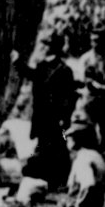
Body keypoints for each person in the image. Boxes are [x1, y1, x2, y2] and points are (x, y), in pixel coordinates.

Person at [15, 30, 78, 184]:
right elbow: (31, 75)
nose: (44, 48)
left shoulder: (64, 70)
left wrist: (65, 117)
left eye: (47, 45)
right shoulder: (43, 66)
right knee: (46, 145)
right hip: (43, 115)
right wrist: (17, 62)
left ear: (54, 47)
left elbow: (69, 96)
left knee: (57, 145)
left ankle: (58, 177)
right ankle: (49, 175)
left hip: (55, 116)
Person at [79, 27, 105, 145]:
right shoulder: (86, 58)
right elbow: (86, 79)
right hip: (91, 98)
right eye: (92, 40)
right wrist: (100, 87)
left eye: (97, 40)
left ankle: (104, 146)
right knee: (90, 128)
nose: (94, 44)